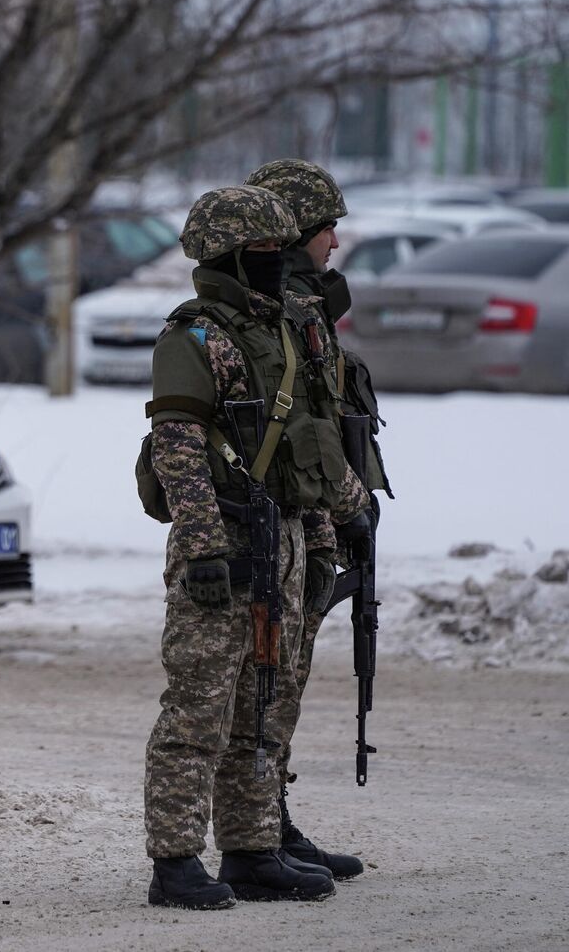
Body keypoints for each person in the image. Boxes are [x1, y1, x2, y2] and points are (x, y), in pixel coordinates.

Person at [141, 185, 370, 910]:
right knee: (199, 709)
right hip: (228, 544)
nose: (280, 265)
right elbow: (178, 447)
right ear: (233, 257)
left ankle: (250, 847)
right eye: (266, 253)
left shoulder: (279, 331)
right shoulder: (196, 337)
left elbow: (315, 449)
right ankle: (175, 859)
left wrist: (337, 526)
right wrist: (206, 549)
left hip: (287, 540)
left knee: (264, 709)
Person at [244, 159, 393, 880]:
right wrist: (348, 506)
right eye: (328, 224)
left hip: (310, 512)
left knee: (286, 680)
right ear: (298, 228)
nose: (337, 240)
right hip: (281, 512)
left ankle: (271, 822)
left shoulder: (303, 307)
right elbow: (309, 427)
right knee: (266, 683)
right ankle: (254, 835)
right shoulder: (282, 313)